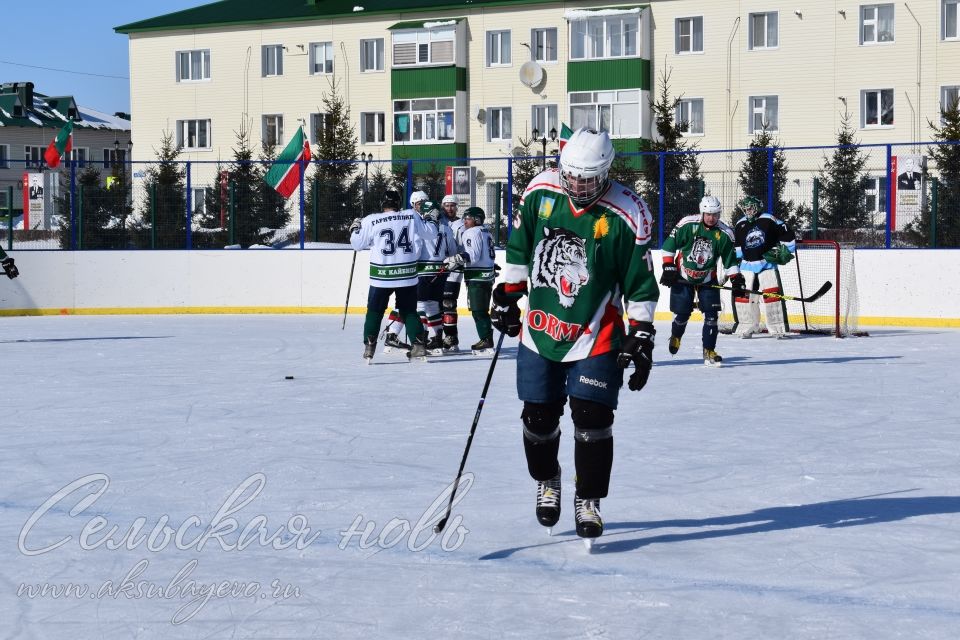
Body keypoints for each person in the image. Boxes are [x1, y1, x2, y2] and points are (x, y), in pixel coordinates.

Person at [490, 127, 659, 542]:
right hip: (541, 330)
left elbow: (639, 281)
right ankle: (547, 480)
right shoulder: (541, 191)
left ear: (605, 174)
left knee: (592, 418)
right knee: (538, 418)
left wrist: (641, 332)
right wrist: (508, 295)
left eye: (588, 179)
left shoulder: (628, 213)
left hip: (595, 332)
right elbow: (520, 246)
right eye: (573, 177)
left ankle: (590, 499)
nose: (578, 187)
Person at [660, 195, 744, 367]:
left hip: (708, 278)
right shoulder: (687, 224)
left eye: (715, 214)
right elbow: (668, 246)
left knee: (712, 317)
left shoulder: (725, 234)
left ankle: (709, 350)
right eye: (708, 214)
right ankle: (676, 335)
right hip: (683, 276)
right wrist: (668, 267)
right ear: (702, 212)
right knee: (682, 314)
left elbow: (730, 261)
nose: (711, 218)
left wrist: (737, 279)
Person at [349, 190, 428, 362]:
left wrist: (355, 228)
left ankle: (369, 345)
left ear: (382, 204)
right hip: (406, 274)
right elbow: (428, 233)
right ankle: (419, 344)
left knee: (375, 311)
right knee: (409, 311)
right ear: (399, 203)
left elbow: (357, 244)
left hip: (382, 275)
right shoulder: (410, 215)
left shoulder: (371, 219)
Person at [732, 195, 796, 338]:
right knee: (744, 298)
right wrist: (734, 265)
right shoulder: (740, 224)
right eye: (746, 208)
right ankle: (747, 326)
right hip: (747, 267)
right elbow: (737, 247)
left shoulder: (768, 219)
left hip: (766, 265)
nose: (748, 211)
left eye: (750, 208)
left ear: (757, 207)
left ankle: (777, 328)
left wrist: (785, 249)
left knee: (772, 296)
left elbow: (787, 234)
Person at [381, 190, 431, 351]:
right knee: (413, 304)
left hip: (420, 268)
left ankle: (393, 335)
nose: (422, 207)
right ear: (412, 205)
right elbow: (415, 245)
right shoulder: (410, 219)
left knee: (411, 304)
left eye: (424, 203)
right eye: (419, 204)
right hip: (412, 268)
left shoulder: (423, 218)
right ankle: (408, 337)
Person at [443, 206, 496, 355]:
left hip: (477, 277)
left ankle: (486, 340)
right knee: (481, 310)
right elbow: (487, 255)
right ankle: (486, 339)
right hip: (487, 276)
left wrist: (456, 258)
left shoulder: (471, 232)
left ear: (477, 220)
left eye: (468, 218)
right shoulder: (486, 231)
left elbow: (472, 255)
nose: (465, 221)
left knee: (478, 311)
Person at [415, 200, 458, 354]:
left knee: (420, 305)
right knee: (433, 305)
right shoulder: (446, 228)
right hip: (440, 271)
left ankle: (420, 341)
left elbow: (416, 250)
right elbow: (452, 251)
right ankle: (436, 339)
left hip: (423, 271)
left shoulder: (420, 227)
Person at [440, 195, 465, 352]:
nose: (449, 208)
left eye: (452, 206)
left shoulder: (462, 224)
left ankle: (451, 337)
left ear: (457, 207)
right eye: (447, 205)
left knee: (449, 303)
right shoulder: (438, 221)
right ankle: (437, 337)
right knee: (436, 304)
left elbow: (463, 248)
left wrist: (457, 259)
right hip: (438, 267)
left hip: (454, 269)